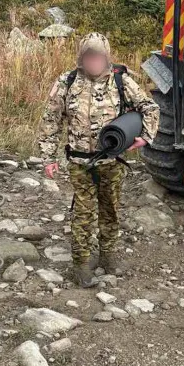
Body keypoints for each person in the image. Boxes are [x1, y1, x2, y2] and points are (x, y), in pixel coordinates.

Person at [41, 33, 160, 287]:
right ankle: (81, 264)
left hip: (112, 162)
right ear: (81, 58)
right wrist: (48, 158)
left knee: (111, 210)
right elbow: (51, 120)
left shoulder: (121, 80)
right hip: (79, 164)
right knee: (82, 214)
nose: (94, 61)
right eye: (89, 56)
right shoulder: (68, 81)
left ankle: (108, 256)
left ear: (106, 57)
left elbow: (149, 107)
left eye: (98, 56)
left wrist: (145, 137)